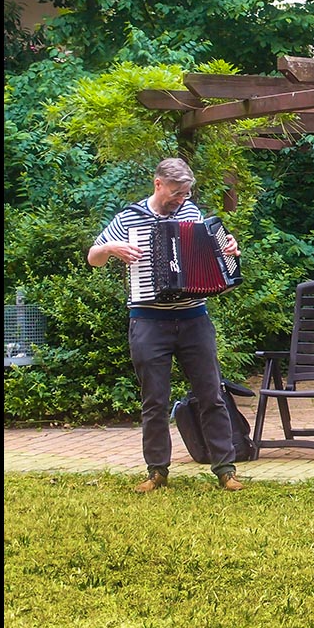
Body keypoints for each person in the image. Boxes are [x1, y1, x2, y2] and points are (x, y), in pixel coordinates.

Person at [87, 157, 245, 492]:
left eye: (186, 193)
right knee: (154, 400)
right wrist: (111, 248)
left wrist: (231, 250)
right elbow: (93, 257)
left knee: (211, 394)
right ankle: (157, 471)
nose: (181, 199)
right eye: (176, 192)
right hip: (149, 320)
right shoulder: (129, 218)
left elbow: (219, 255)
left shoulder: (190, 215)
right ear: (158, 184)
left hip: (194, 318)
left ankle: (225, 469)